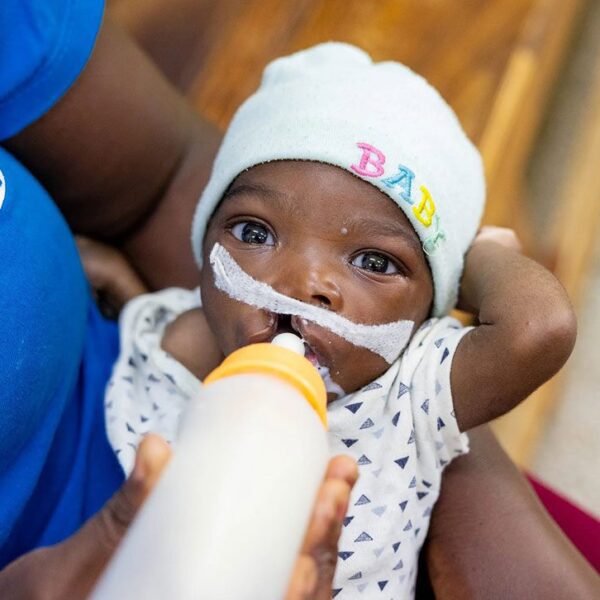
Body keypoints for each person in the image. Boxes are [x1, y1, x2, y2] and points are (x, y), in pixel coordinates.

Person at [2, 2, 599, 598]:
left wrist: (482, 253)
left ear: (427, 314)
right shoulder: (178, 334)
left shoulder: (410, 392)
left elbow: (538, 329)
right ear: (202, 248)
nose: (303, 283)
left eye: (375, 262)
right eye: (256, 233)